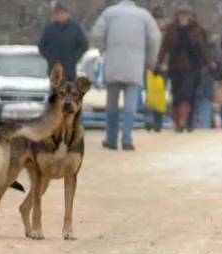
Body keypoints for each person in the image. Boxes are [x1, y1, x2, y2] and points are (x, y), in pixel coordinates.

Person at [91, 0, 161, 150]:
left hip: (113, 63)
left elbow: (96, 34)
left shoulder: (109, 13)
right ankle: (127, 139)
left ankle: (111, 139)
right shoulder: (144, 16)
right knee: (130, 105)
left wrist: (104, 49)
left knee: (112, 104)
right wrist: (150, 60)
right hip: (135, 65)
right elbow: (155, 39)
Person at [154, 5, 212, 133]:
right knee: (176, 94)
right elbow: (164, 47)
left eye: (186, 14)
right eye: (181, 14)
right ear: (177, 16)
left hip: (192, 67)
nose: (183, 17)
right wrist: (158, 63)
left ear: (190, 16)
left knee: (187, 94)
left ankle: (183, 121)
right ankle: (178, 121)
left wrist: (209, 63)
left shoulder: (196, 30)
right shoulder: (172, 29)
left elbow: (203, 49)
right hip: (175, 67)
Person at [38, 3, 88, 81]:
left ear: (67, 14)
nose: (60, 16)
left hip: (69, 70)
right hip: (54, 69)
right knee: (55, 92)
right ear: (55, 15)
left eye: (63, 13)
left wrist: (74, 57)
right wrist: (50, 57)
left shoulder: (75, 28)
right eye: (58, 13)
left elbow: (84, 45)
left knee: (68, 92)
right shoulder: (50, 28)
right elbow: (41, 45)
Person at [144, 4, 170, 133]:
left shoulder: (168, 31)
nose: (158, 22)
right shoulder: (148, 31)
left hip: (163, 66)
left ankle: (157, 122)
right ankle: (149, 120)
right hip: (150, 66)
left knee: (159, 94)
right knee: (150, 94)